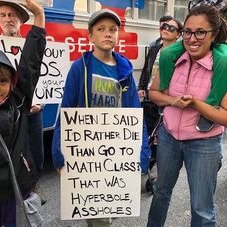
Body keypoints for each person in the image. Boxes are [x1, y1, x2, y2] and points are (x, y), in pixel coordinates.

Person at [51, 8, 150, 227]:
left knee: (112, 210)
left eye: (113, 30)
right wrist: (59, 153)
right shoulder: (80, 68)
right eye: (101, 29)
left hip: (117, 154)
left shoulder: (124, 70)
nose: (108, 34)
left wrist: (142, 150)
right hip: (87, 156)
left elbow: (135, 113)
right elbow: (66, 108)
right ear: (90, 36)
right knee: (98, 218)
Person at [147, 4, 227, 227]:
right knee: (161, 192)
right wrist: (174, 101)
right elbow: (154, 92)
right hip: (169, 138)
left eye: (200, 32)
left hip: (204, 144)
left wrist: (196, 104)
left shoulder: (222, 66)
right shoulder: (172, 59)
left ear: (214, 34)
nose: (192, 38)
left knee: (202, 208)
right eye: (188, 32)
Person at [0, 35, 45, 227]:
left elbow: (29, 65)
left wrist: (39, 19)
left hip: (17, 190)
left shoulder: (19, 101)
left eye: (2, 81)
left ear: (12, 82)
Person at [0, 0, 45, 181]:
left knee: (36, 154)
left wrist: (40, 101)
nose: (8, 19)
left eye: (12, 15)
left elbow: (42, 78)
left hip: (33, 111)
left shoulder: (35, 48)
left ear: (21, 20)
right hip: (4, 113)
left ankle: (33, 185)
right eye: (3, 15)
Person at [138, 17, 182, 192]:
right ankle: (146, 165)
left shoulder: (180, 53)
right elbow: (145, 70)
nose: (166, 29)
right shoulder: (154, 49)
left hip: (166, 101)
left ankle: (155, 175)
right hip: (149, 99)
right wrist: (142, 87)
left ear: (178, 34)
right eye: (164, 26)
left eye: (172, 28)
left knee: (160, 138)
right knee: (146, 135)